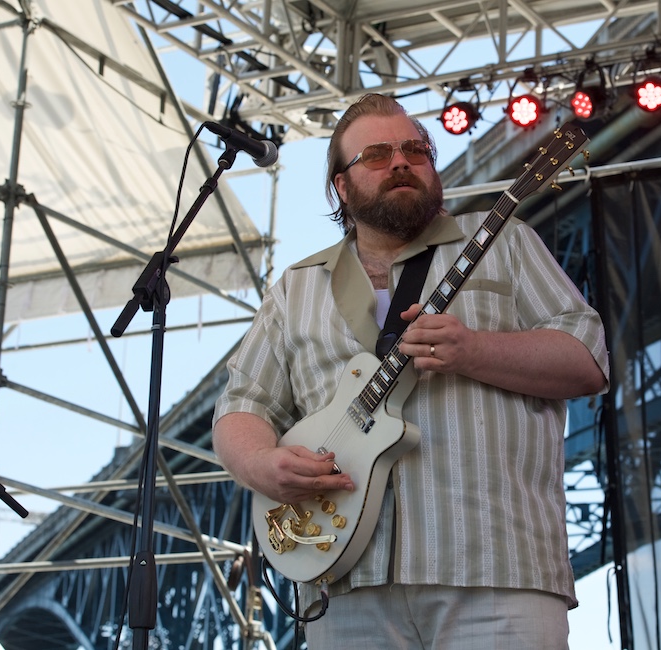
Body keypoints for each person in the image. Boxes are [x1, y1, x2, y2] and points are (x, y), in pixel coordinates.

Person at [212, 93, 609, 649]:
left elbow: (587, 359)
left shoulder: (507, 245)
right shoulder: (294, 290)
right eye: (376, 155)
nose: (400, 161)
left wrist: (473, 350)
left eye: (415, 150)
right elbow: (243, 405)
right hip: (343, 578)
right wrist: (259, 463)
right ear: (341, 187)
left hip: (497, 571)